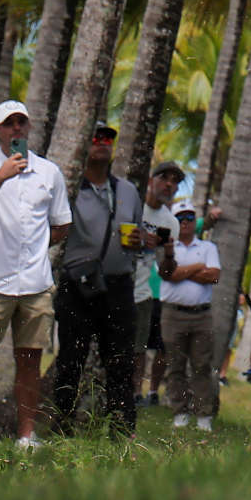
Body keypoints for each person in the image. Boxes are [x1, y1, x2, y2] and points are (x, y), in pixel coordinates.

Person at [0, 101, 71, 451]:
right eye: (9, 123)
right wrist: (0, 176)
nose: (16, 128)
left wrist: (37, 246)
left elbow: (62, 223)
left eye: (22, 122)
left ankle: (26, 434)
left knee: (31, 360)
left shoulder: (49, 172)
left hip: (35, 283)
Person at [52, 121, 145, 437]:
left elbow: (138, 233)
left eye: (108, 138)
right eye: (96, 137)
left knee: (120, 362)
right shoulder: (69, 188)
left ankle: (121, 430)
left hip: (118, 285)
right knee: (70, 359)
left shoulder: (127, 191)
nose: (103, 142)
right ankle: (61, 425)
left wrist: (141, 241)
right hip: (77, 284)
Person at [157, 202, 220, 430]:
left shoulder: (208, 246)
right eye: (180, 218)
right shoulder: (165, 246)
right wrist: (196, 267)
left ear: (195, 222)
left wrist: (181, 272)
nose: (185, 222)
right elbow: (166, 273)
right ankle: (179, 413)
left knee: (201, 366)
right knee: (175, 366)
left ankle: (204, 416)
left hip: (201, 315)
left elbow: (213, 275)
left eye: (190, 218)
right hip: (173, 314)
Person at [135, 162, 185, 407]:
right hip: (114, 284)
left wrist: (167, 253)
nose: (169, 185)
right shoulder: (132, 205)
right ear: (150, 180)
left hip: (141, 291)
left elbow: (165, 272)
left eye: (175, 181)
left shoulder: (170, 223)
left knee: (138, 350)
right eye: (164, 178)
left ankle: (133, 396)